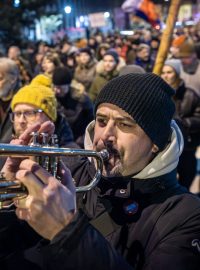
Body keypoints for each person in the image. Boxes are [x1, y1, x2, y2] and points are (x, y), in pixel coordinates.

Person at [1, 73, 200, 270]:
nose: (106, 135)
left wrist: (67, 232)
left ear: (155, 143)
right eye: (102, 121)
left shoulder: (186, 214)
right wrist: (9, 200)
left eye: (124, 124)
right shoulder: (72, 172)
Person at [161, 59, 200, 191]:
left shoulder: (190, 94)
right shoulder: (159, 93)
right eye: (163, 72)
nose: (165, 75)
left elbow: (198, 118)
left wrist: (182, 123)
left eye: (169, 72)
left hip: (187, 144)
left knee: (186, 176)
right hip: (166, 144)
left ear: (177, 74)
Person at [52, 66, 94, 148]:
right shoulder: (52, 98)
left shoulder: (81, 99)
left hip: (78, 140)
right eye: (55, 87)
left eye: (60, 87)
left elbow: (92, 121)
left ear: (68, 85)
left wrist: (82, 140)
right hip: (59, 141)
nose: (57, 90)